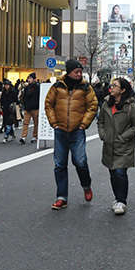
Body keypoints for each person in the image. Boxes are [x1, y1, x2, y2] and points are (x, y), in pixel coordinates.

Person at [44, 59, 98, 210]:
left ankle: (86, 186)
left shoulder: (86, 87)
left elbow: (93, 105)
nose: (79, 74)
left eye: (80, 71)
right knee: (60, 164)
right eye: (76, 71)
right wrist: (54, 123)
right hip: (60, 130)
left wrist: (83, 124)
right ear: (69, 72)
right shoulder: (57, 86)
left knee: (80, 161)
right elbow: (48, 104)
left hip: (77, 131)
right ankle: (61, 197)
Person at [97, 77, 135, 215]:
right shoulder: (106, 104)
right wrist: (103, 134)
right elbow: (101, 122)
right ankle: (117, 198)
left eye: (115, 86)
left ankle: (122, 201)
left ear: (122, 90)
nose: (111, 87)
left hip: (124, 146)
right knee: (112, 172)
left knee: (120, 172)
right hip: (109, 145)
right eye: (112, 85)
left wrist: (123, 137)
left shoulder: (130, 107)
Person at [20, 73, 40, 144]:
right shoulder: (26, 87)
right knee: (25, 123)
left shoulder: (38, 87)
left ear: (34, 79)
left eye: (30, 78)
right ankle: (23, 137)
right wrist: (24, 105)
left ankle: (35, 136)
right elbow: (24, 97)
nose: (29, 80)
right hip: (27, 108)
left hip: (35, 108)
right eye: (28, 78)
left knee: (36, 123)